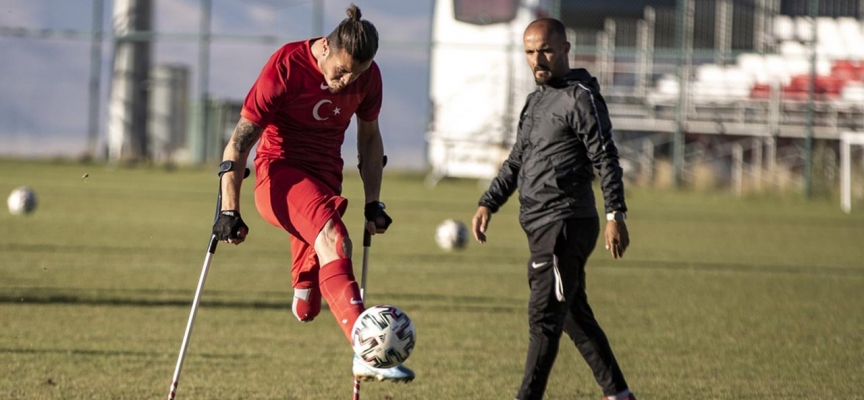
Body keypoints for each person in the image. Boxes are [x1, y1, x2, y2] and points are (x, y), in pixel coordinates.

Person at [211, 3, 414, 383]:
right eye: (340, 71)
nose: (346, 82)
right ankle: (366, 352)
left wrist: (374, 202)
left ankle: (305, 288)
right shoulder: (286, 66)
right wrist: (229, 209)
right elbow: (239, 142)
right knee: (336, 239)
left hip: (325, 180)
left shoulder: (368, 78)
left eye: (357, 74)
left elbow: (369, 140)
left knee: (308, 308)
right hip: (278, 174)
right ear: (325, 49)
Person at [471, 18, 635, 400]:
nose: (537, 59)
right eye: (530, 52)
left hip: (565, 224)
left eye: (545, 49)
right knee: (574, 317)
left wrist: (616, 215)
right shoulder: (536, 99)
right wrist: (488, 202)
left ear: (565, 49)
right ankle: (619, 394)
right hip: (540, 224)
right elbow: (516, 160)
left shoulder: (580, 97)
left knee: (543, 320)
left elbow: (606, 157)